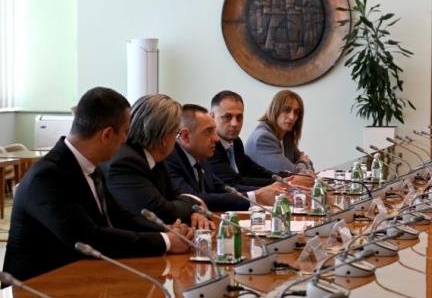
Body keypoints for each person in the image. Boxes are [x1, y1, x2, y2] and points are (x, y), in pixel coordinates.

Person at [2, 87, 190, 282]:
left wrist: (166, 231)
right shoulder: (47, 177)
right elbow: (88, 238)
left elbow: (119, 217)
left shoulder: (89, 166)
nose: (126, 140)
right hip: (39, 287)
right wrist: (166, 241)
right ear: (106, 135)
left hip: (81, 278)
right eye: (124, 132)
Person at [104, 94, 213, 229]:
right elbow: (163, 212)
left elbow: (174, 196)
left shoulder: (154, 157)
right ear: (164, 138)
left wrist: (194, 213)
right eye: (177, 133)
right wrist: (194, 202)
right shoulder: (126, 162)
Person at [164, 104, 282, 210]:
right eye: (208, 132)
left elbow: (223, 188)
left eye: (214, 131)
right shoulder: (169, 159)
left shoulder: (201, 156)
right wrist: (256, 196)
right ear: (185, 136)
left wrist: (265, 191)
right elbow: (194, 200)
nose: (216, 138)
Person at [244, 90, 313, 174]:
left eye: (296, 112)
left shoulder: (287, 136)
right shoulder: (263, 138)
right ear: (275, 110)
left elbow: (310, 169)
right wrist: (302, 161)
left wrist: (302, 163)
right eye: (287, 110)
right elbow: (294, 175)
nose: (292, 117)